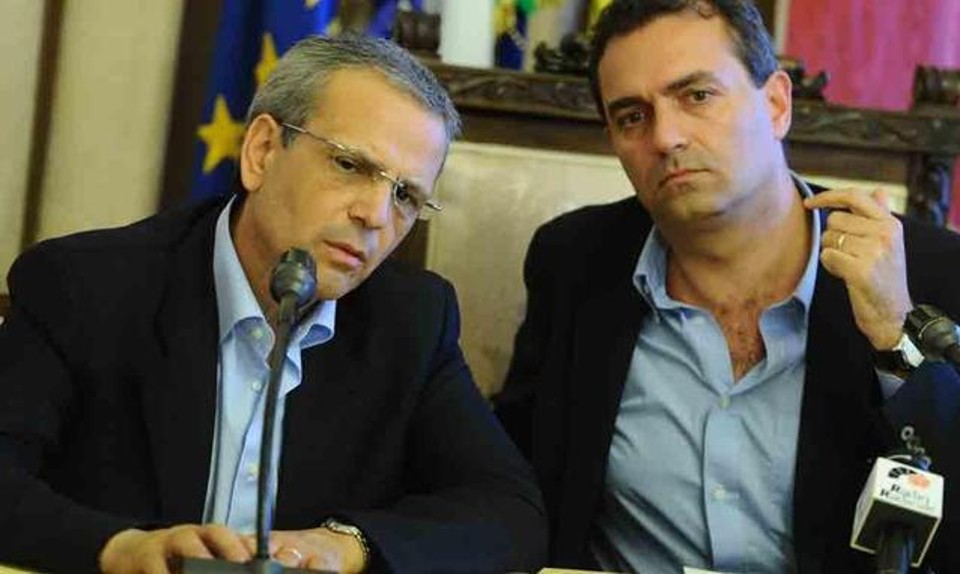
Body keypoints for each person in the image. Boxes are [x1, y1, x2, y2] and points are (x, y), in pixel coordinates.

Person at [0, 34, 546, 573]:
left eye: (405, 195)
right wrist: (117, 548)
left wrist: (345, 545)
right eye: (350, 165)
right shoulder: (86, 285)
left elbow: (509, 511)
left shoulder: (411, 321)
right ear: (262, 151)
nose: (376, 216)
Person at [494, 0, 960, 572]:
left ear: (777, 104)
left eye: (697, 95)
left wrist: (896, 335)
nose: (666, 137)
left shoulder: (930, 273)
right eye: (633, 116)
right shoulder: (573, 262)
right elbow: (509, 480)